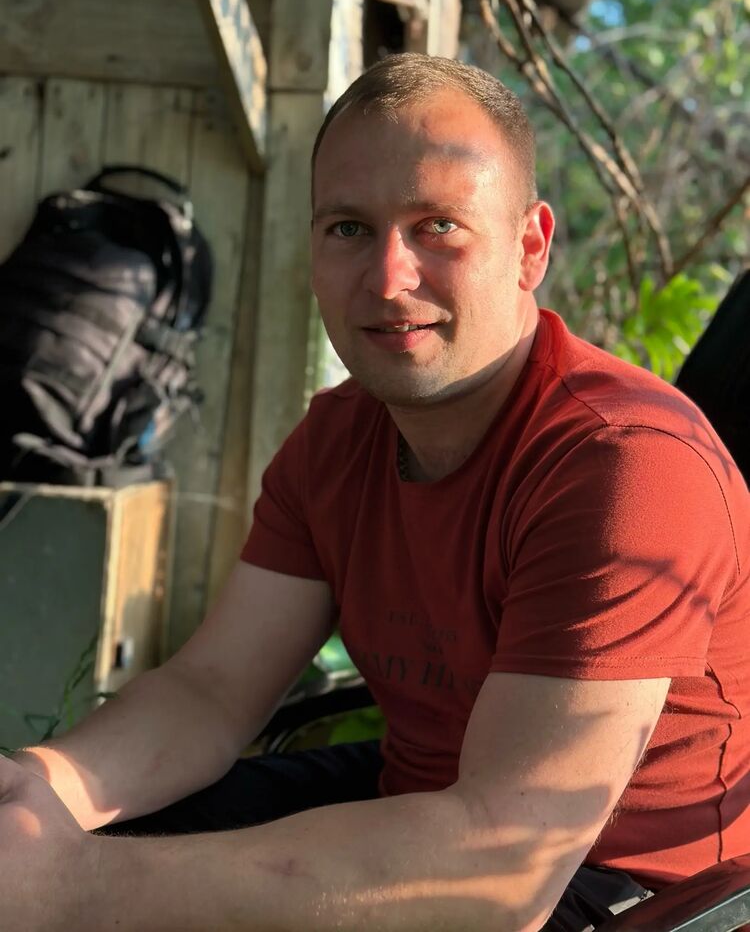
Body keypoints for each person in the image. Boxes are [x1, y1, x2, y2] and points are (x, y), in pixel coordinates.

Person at [2, 53, 749, 932]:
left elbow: (501, 874)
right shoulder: (338, 437)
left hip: (623, 891)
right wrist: (35, 797)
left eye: (438, 226)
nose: (389, 278)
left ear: (530, 247)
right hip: (418, 807)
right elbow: (210, 690)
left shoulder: (626, 463)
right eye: (350, 228)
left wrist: (72, 885)